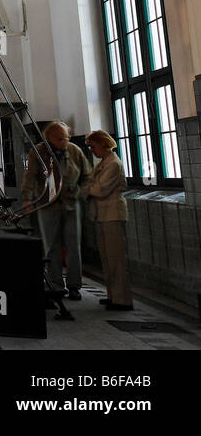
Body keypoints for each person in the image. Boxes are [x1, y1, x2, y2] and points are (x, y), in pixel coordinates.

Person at [22, 121, 92, 299]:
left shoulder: (75, 151)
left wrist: (80, 193)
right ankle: (56, 284)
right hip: (48, 204)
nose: (65, 142)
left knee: (73, 245)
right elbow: (29, 177)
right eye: (61, 139)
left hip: (71, 203)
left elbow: (87, 176)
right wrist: (27, 198)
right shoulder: (37, 152)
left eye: (67, 138)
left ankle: (75, 285)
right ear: (50, 138)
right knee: (51, 245)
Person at [85, 129, 133, 311]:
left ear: (103, 144)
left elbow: (99, 189)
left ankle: (122, 299)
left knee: (116, 259)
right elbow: (91, 185)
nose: (91, 150)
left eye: (93, 146)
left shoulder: (113, 163)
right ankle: (113, 295)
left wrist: (89, 188)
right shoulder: (103, 163)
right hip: (102, 215)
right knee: (106, 258)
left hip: (113, 214)